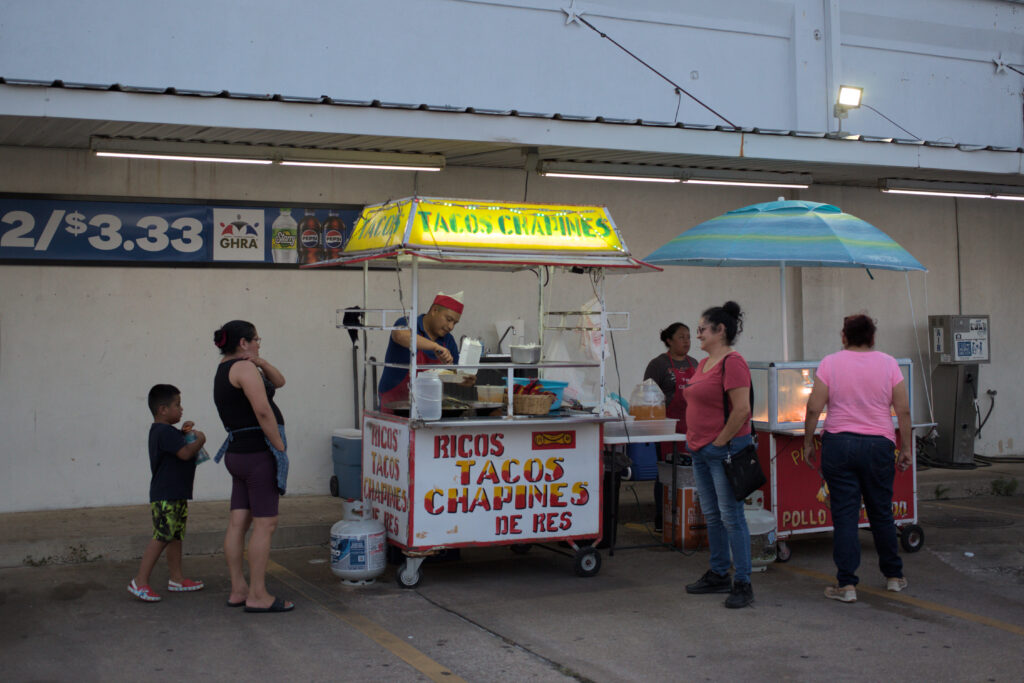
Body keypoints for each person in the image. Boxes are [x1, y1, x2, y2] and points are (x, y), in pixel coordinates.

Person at [802, 313, 912, 603]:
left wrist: (808, 442)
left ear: (843, 336)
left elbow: (814, 407)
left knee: (845, 515)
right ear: (873, 338)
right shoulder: (889, 364)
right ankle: (893, 577)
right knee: (881, 513)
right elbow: (903, 411)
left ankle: (847, 585)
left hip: (839, 443)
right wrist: (908, 448)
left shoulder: (830, 363)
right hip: (879, 445)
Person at [212, 320, 294, 613]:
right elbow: (262, 410)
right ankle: (258, 595)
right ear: (243, 342)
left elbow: (280, 382)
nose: (259, 342)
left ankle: (239, 589)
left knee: (238, 523)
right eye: (256, 339)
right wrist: (279, 446)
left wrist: (260, 361)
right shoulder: (244, 370)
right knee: (265, 524)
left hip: (237, 454)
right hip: (257, 454)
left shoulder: (227, 368)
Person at [682, 301, 755, 609]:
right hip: (701, 450)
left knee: (731, 517)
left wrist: (719, 444)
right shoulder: (705, 363)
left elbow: (742, 410)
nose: (697, 335)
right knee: (712, 515)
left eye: (701, 329)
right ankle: (719, 572)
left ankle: (743, 582)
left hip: (721, 451)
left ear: (720, 330)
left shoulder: (733, 362)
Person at [128, 384, 207, 602]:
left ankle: (177, 578)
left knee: (175, 535)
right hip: (166, 495)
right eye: (177, 405)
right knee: (162, 536)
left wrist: (185, 432)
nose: (181, 409)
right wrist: (199, 439)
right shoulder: (163, 431)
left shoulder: (166, 432)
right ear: (163, 409)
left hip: (175, 493)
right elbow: (184, 454)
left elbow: (178, 445)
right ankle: (140, 581)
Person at [643, 322, 699, 531]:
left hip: (693, 426)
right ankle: (662, 517)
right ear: (669, 340)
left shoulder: (695, 362)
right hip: (667, 427)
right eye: (682, 337)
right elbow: (647, 396)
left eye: (689, 337)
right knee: (667, 472)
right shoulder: (658, 365)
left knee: (693, 471)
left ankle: (689, 516)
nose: (687, 341)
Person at [378, 291, 464, 411]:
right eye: (448, 319)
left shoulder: (448, 340)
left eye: (455, 323)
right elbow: (399, 335)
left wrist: (465, 379)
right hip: (395, 406)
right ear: (434, 310)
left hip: (428, 407)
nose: (451, 327)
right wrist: (434, 347)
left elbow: (456, 373)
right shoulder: (407, 323)